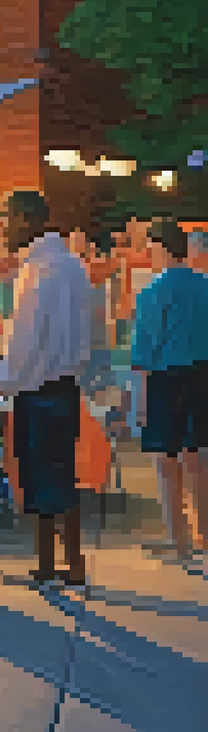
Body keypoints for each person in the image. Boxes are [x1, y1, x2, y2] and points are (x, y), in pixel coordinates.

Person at [0, 192, 94, 587]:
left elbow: (25, 343)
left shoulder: (38, 271)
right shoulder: (73, 266)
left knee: (41, 480)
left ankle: (58, 566)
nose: (3, 228)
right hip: (66, 386)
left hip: (38, 388)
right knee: (61, 477)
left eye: (7, 219)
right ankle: (62, 566)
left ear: (27, 219)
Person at [130, 219, 208, 565]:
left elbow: (144, 352)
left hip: (164, 379)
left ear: (162, 247)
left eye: (150, 246)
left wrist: (139, 404)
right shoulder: (204, 285)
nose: (148, 253)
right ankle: (204, 535)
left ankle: (179, 541)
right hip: (202, 376)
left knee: (166, 462)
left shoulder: (152, 292)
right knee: (198, 460)